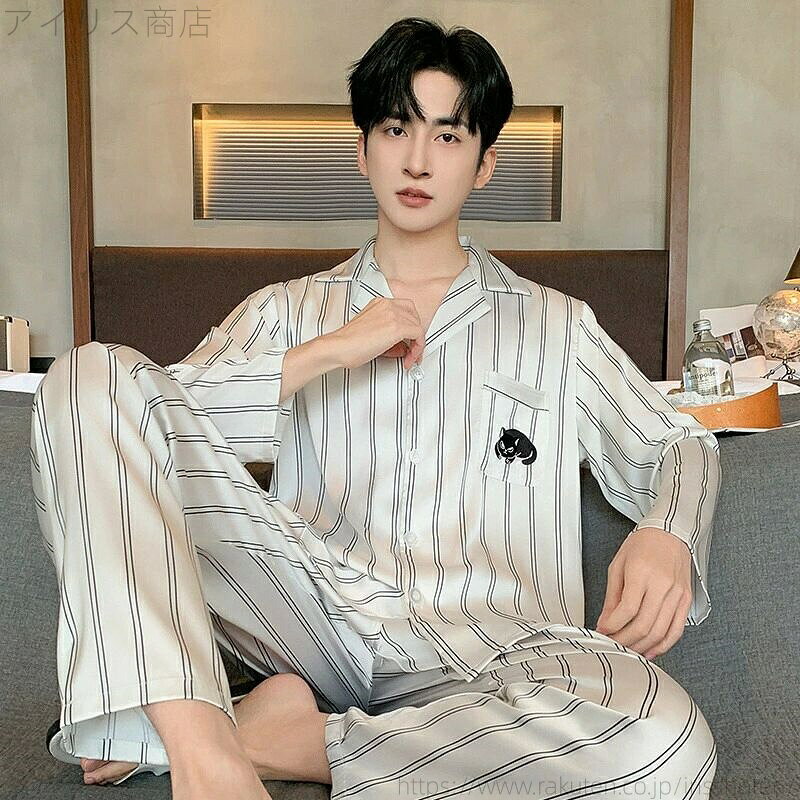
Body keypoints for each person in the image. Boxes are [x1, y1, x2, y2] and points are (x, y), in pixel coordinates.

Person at [32, 16, 721, 800]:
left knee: (667, 744)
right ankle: (203, 753)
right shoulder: (286, 310)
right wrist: (327, 351)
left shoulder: (559, 328)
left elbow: (680, 443)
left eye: (448, 136)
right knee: (85, 375)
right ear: (363, 150)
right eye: (396, 129)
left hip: (504, 654)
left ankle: (281, 741)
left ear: (486, 164)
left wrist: (668, 532)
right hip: (313, 622)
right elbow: (133, 424)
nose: (418, 159)